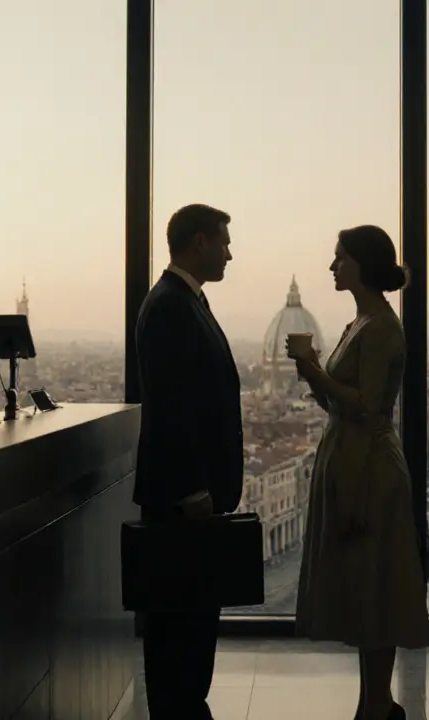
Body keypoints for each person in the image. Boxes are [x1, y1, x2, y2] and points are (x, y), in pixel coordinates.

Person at [288, 225, 429, 720]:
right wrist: (314, 375)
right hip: (351, 457)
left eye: (339, 258)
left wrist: (313, 370)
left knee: (376, 586)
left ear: (363, 265)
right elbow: (337, 400)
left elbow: (369, 407)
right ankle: (375, 703)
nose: (331, 267)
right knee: (367, 586)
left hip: (369, 467)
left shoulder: (383, 328)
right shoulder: (359, 324)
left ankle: (375, 706)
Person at [133, 203, 244, 720]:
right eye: (223, 242)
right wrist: (194, 487)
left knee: (192, 622)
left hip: (191, 497)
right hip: (184, 501)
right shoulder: (173, 306)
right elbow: (174, 406)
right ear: (199, 242)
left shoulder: (184, 300)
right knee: (180, 624)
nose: (229, 252)